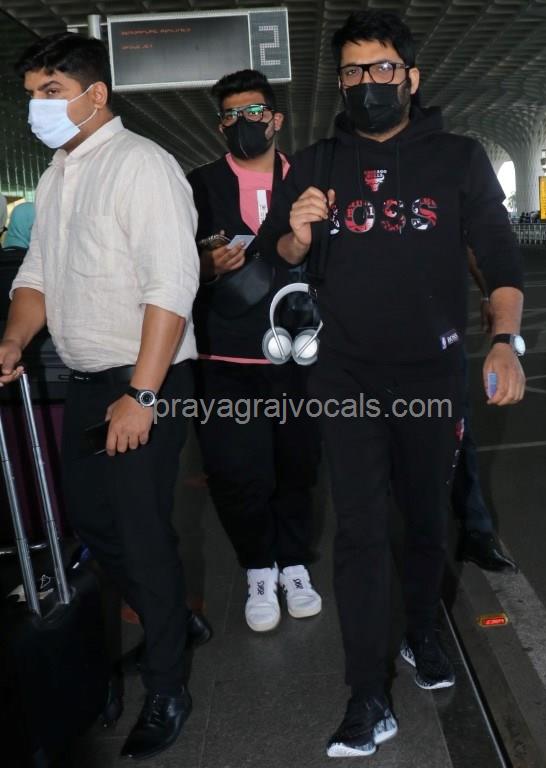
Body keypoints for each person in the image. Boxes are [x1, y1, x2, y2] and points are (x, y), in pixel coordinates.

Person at [257, 9, 525, 758]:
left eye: (380, 68)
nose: (366, 83)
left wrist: (505, 342)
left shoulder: (459, 158)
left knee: (426, 519)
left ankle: (420, 630)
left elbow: (498, 255)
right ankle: (367, 694)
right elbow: (276, 254)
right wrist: (297, 234)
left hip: (432, 370)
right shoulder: (315, 163)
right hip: (344, 373)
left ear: (410, 77)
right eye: (352, 71)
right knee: (361, 529)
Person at [1, 32, 205, 761]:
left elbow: (171, 285)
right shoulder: (59, 174)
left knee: (141, 531)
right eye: (32, 94)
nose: (38, 107)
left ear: (95, 95)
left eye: (51, 92)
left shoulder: (142, 166)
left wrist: (142, 395)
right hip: (90, 385)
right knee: (94, 522)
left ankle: (168, 686)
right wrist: (13, 340)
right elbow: (37, 275)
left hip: (144, 381)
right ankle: (170, 615)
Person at [186, 69, 321, 633]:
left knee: (297, 469)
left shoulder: (310, 181)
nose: (244, 122)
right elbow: (168, 263)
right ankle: (258, 569)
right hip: (226, 362)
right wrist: (204, 265)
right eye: (232, 115)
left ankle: (294, 563)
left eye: (255, 112)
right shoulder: (197, 186)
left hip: (300, 359)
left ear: (276, 119)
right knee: (238, 473)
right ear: (221, 125)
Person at [453, 248, 518, 572]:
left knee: (457, 433)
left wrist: (488, 294)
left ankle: (476, 531)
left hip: (438, 339)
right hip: (363, 345)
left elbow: (471, 243)